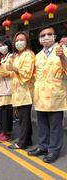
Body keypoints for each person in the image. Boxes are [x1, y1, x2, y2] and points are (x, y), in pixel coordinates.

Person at [28, 26, 67, 163]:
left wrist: (62, 56)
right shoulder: (38, 55)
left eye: (49, 34)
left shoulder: (63, 51)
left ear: (55, 36)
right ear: (39, 40)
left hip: (55, 94)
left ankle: (54, 150)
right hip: (40, 95)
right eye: (43, 35)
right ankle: (43, 146)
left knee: (55, 125)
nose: (46, 37)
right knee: (42, 123)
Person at [6, 31, 35, 150]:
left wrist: (14, 68)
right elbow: (10, 72)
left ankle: (22, 143)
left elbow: (28, 73)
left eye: (21, 40)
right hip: (18, 90)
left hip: (25, 90)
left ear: (27, 41)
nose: (19, 42)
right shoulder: (17, 56)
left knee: (23, 118)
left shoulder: (29, 54)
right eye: (17, 40)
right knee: (24, 118)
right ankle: (28, 140)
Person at [0, 39, 13, 142]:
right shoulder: (0, 58)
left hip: (8, 87)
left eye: (4, 45)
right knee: (1, 111)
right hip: (0, 87)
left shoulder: (11, 57)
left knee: (6, 111)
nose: (2, 47)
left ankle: (7, 133)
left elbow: (10, 72)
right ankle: (1, 131)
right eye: (0, 45)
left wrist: (0, 65)